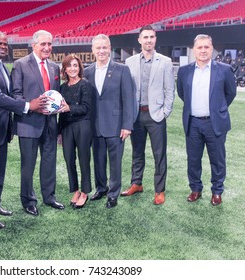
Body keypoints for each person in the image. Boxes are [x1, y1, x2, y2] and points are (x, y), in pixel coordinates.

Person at [0, 32, 46, 228]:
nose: (3, 46)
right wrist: (27, 106)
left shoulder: (0, 65)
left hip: (1, 129)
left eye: (5, 43)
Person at [177, 34, 236, 206]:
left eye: (206, 47)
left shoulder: (224, 69)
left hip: (214, 123)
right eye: (199, 47)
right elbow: (182, 93)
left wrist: (218, 109)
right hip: (193, 123)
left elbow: (230, 93)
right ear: (193, 49)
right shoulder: (184, 71)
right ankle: (195, 189)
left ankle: (217, 191)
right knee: (193, 159)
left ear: (212, 49)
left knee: (217, 159)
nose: (203, 50)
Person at [11, 30, 65, 216]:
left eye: (49, 44)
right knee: (28, 164)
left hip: (50, 123)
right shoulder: (20, 65)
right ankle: (28, 201)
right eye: (43, 44)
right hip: (28, 123)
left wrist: (60, 105)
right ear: (33, 45)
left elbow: (56, 95)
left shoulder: (54, 67)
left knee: (49, 162)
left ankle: (49, 197)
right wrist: (30, 106)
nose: (47, 47)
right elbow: (15, 95)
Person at [122, 25, 175, 205]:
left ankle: (159, 190)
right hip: (136, 115)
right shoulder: (130, 62)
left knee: (159, 154)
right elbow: (127, 91)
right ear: (139, 40)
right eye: (145, 37)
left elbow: (170, 90)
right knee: (137, 152)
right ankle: (136, 183)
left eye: (152, 37)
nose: (149, 40)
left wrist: (165, 112)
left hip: (156, 116)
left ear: (155, 39)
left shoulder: (165, 62)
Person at [84, 34, 136, 208]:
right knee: (98, 160)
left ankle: (113, 194)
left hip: (115, 126)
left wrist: (127, 125)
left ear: (110, 48)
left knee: (115, 163)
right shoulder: (87, 71)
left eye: (104, 47)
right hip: (95, 126)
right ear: (92, 50)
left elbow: (129, 99)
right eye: (98, 48)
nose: (101, 51)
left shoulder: (122, 70)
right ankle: (101, 188)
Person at [58, 54, 93, 209]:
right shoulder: (62, 87)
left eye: (75, 66)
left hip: (83, 126)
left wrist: (69, 108)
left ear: (79, 68)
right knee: (69, 159)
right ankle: (76, 190)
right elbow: (60, 111)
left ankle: (85, 192)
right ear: (64, 69)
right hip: (66, 127)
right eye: (69, 66)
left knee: (83, 159)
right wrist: (59, 132)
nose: (72, 69)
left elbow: (86, 108)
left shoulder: (85, 85)